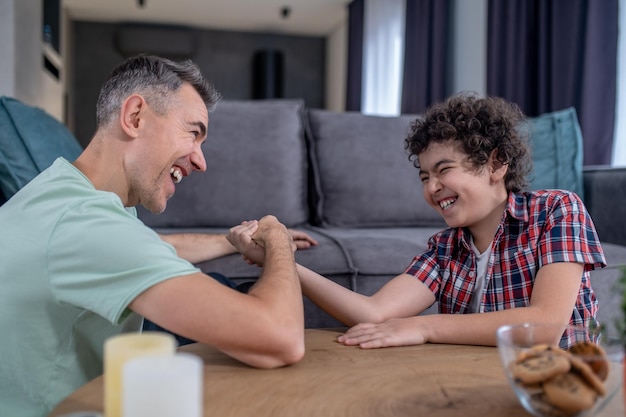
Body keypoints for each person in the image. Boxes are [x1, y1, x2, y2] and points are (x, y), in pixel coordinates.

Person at [0, 54, 316, 417]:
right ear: (135, 117)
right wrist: (276, 237)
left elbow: (145, 247)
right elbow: (282, 339)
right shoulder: (88, 225)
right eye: (193, 133)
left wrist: (228, 241)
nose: (201, 161)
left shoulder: (62, 194)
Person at [241, 93, 606, 350]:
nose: (432, 187)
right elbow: (373, 312)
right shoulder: (445, 249)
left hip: (560, 386)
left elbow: (544, 326)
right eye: (424, 177)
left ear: (495, 164)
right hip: (479, 382)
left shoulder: (556, 210)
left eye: (444, 170)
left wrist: (424, 326)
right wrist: (280, 259)